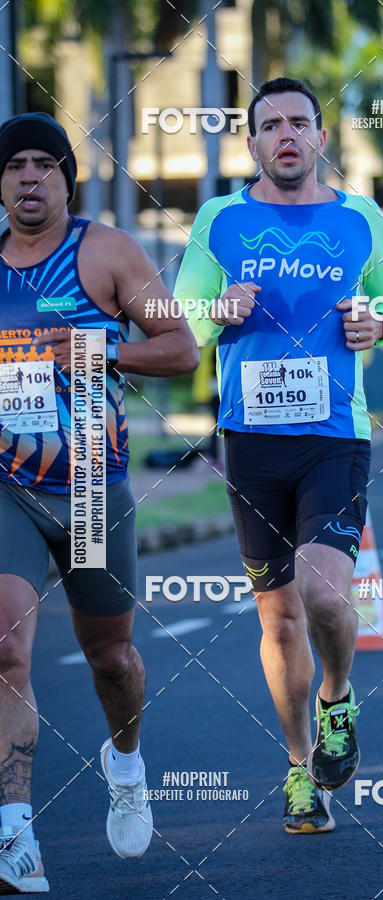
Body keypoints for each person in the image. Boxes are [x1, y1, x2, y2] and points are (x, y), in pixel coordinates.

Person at [175, 78, 383, 833]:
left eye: (298, 123)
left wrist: (381, 320)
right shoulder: (221, 219)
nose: (285, 135)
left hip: (333, 435)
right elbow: (182, 317)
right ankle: (299, 768)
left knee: (326, 594)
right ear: (251, 143)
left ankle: (337, 698)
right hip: (249, 444)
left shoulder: (359, 217)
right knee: (277, 622)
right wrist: (217, 310)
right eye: (270, 124)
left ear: (318, 137)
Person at [0, 112, 199, 893]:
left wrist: (97, 346)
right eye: (13, 165)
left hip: (88, 489)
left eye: (43, 164)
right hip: (7, 487)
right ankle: (15, 834)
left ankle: (125, 764)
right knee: (6, 648)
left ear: (64, 178)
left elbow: (181, 349)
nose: (28, 178)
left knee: (110, 658)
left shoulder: (105, 249)